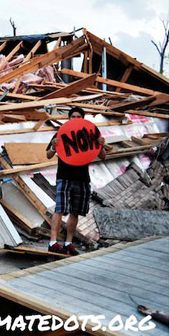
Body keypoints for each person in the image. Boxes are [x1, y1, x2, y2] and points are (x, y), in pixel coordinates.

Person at [46, 107, 106, 255]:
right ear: (69, 118)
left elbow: (103, 156)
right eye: (73, 116)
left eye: (79, 116)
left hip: (82, 178)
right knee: (59, 209)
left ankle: (68, 243)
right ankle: (53, 242)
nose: (76, 119)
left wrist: (101, 145)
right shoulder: (61, 134)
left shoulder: (91, 135)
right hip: (64, 176)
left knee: (75, 212)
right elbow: (48, 155)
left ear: (83, 119)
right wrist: (54, 147)